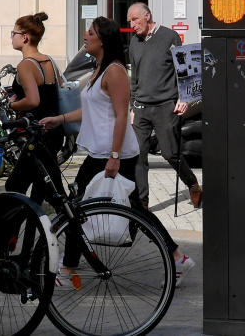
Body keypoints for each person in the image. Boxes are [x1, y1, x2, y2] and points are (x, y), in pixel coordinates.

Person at [39, 17, 195, 288]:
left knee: (80, 207)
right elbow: (93, 109)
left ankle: (68, 268)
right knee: (109, 207)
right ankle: (177, 257)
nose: (85, 37)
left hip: (115, 154)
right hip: (102, 152)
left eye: (90, 33)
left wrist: (113, 157)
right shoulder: (99, 67)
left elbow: (122, 115)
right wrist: (60, 119)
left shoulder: (114, 71)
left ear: (103, 40)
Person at [126, 2, 203, 210]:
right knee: (138, 156)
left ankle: (193, 184)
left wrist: (185, 98)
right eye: (129, 21)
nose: (132, 25)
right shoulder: (134, 42)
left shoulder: (170, 36)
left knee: (171, 154)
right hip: (141, 107)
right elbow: (134, 77)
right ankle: (142, 205)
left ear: (147, 16)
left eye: (135, 20)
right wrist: (132, 106)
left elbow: (185, 69)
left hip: (165, 106)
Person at [4, 12, 63, 204]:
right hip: (55, 130)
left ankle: (12, 231)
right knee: (41, 189)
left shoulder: (26, 65)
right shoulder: (49, 61)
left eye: (13, 33)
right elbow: (59, 89)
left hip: (40, 133)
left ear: (24, 37)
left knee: (14, 185)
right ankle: (35, 233)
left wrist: (12, 103)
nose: (11, 37)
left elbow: (33, 100)